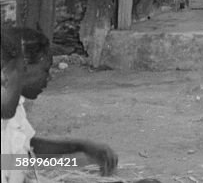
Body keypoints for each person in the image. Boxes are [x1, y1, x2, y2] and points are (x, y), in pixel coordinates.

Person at [1, 26, 118, 182]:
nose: (49, 78)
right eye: (45, 70)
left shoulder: (16, 106)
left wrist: (79, 147)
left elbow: (25, 149)